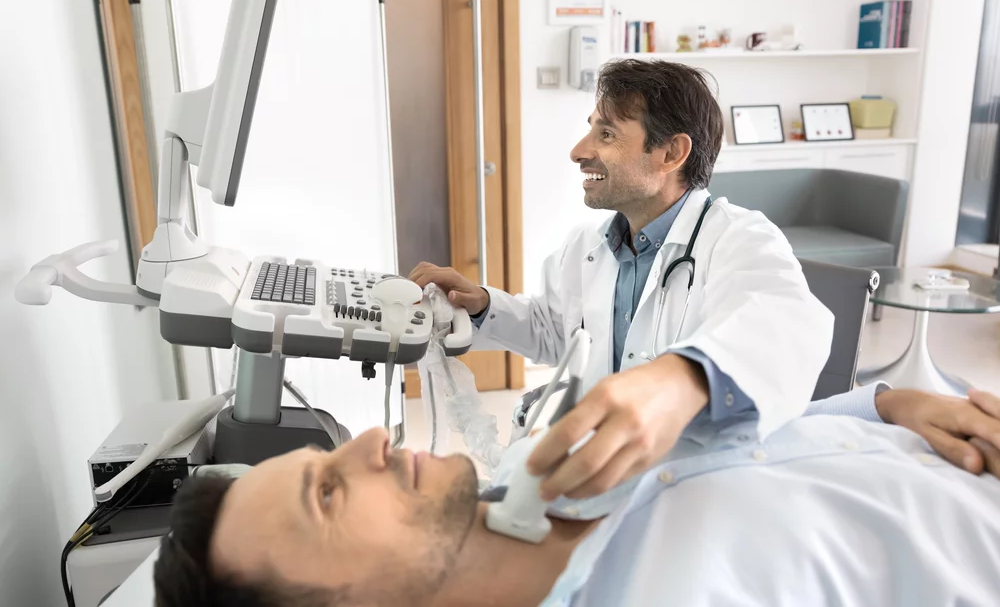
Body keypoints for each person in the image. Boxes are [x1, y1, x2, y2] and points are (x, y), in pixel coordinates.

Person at [410, 59, 835, 503]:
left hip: (690, 490)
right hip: (601, 481)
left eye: (606, 134)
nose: (579, 150)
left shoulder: (739, 238)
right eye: (590, 129)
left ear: (671, 153)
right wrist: (479, 303)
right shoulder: (589, 245)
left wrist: (682, 379)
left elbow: (781, 325)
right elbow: (556, 331)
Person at [153, 388, 1000, 607]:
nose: (373, 442)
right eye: (329, 495)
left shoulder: (538, 455)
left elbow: (758, 430)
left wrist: (889, 405)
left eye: (327, 453)